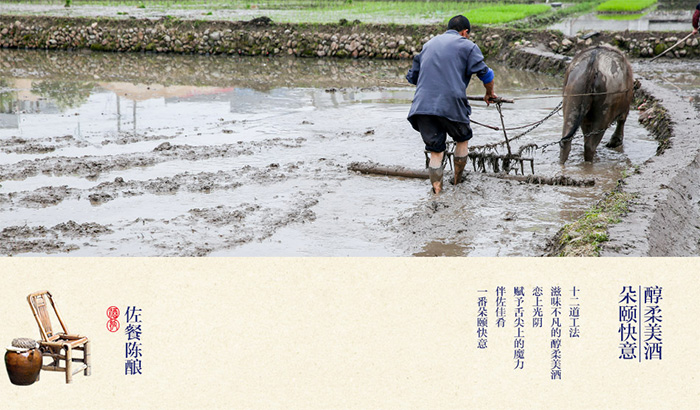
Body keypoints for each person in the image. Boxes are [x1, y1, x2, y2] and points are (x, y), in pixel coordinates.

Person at [406, 14, 498, 194]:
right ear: (465, 32)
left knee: (435, 151)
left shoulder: (428, 45)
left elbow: (413, 78)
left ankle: (437, 191)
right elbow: (486, 75)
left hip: (422, 106)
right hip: (452, 104)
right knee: (462, 139)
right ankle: (457, 181)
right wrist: (489, 93)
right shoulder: (468, 46)